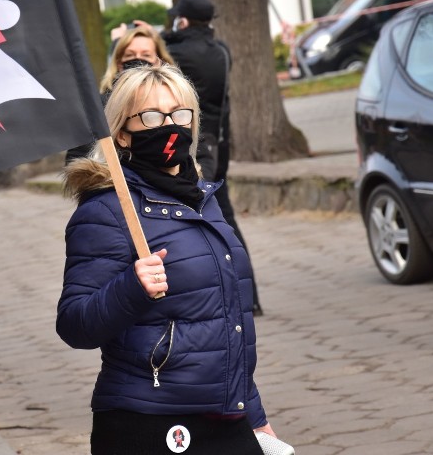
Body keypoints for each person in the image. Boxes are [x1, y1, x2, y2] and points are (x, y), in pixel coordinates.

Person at [58, 64, 276, 454]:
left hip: (226, 416)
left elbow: (228, 323)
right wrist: (131, 288)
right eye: (153, 116)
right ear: (122, 133)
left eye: (180, 114)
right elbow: (75, 325)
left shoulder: (201, 199)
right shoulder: (106, 211)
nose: (171, 126)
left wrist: (256, 417)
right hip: (148, 422)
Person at [163, 0, 263, 315]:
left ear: (183, 20)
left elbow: (162, 56)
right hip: (219, 147)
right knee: (227, 219)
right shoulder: (221, 51)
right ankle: (251, 298)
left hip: (192, 149)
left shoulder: (177, 52)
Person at [65, 25, 176, 163]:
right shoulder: (98, 107)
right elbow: (77, 159)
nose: (138, 59)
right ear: (119, 63)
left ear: (159, 62)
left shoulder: (176, 101)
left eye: (146, 55)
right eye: (129, 55)